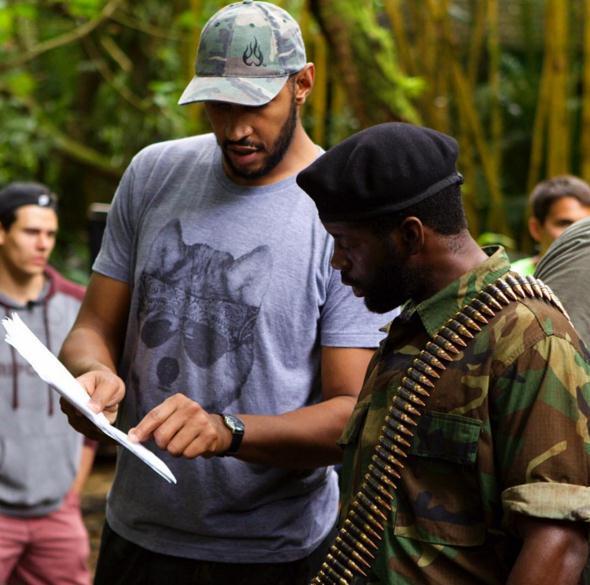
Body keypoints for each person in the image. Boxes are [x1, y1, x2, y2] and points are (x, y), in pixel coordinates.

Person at [58, 2, 394, 584]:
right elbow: (92, 329)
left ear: (303, 84)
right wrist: (89, 377)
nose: (236, 128)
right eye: (219, 104)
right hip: (138, 536)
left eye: (255, 105)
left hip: (273, 553)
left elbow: (351, 417)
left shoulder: (341, 211)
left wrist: (228, 431)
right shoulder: (153, 174)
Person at [296, 122, 590, 585]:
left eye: (348, 243)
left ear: (411, 237)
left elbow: (558, 543)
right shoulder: (414, 330)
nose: (338, 262)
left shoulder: (528, 338)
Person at [0, 182, 95, 585]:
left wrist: (72, 490)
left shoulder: (80, 307)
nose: (43, 244)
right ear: (2, 232)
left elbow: (93, 404)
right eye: (31, 232)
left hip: (59, 511)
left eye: (50, 234)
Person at [512, 174, 590, 275]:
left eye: (586, 225)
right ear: (536, 229)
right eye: (565, 224)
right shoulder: (508, 279)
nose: (578, 233)